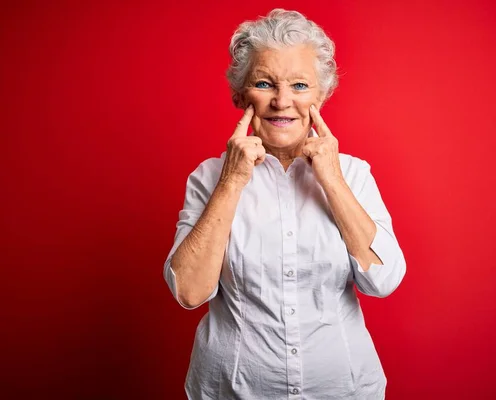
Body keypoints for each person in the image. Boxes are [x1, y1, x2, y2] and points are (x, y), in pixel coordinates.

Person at [163, 8, 407, 400]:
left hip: (343, 390)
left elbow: (384, 280)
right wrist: (233, 180)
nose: (282, 101)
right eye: (264, 83)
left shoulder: (355, 174)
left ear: (321, 94)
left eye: (299, 85)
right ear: (240, 95)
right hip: (230, 390)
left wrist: (331, 177)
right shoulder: (209, 177)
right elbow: (189, 292)